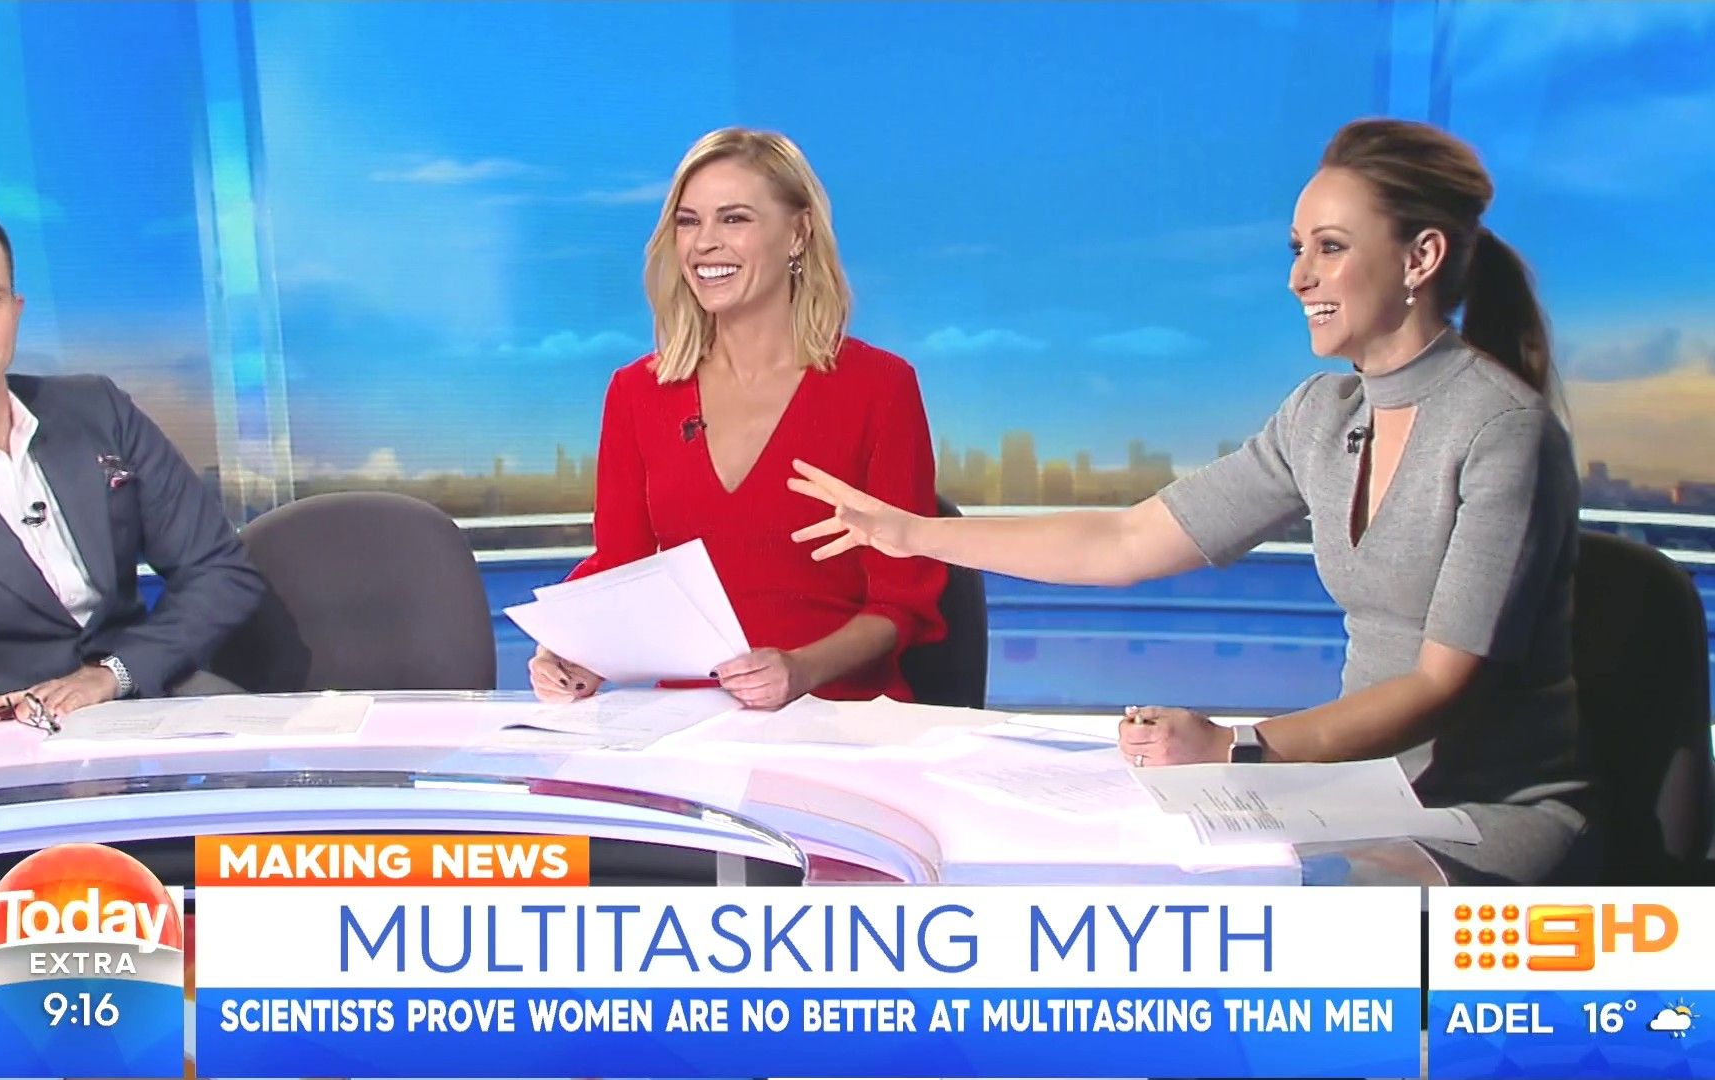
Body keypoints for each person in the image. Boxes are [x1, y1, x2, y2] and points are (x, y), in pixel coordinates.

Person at [788, 119, 1596, 885]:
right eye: (1297, 249)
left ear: (1421, 257)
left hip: (1478, 816)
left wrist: (1238, 748)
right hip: (1354, 796)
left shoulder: (1500, 430)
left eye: (1330, 247)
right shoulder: (1321, 417)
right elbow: (1127, 540)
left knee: (1263, 912)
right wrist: (912, 533)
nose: (1299, 277)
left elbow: (1439, 684)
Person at [530, 128, 947, 710]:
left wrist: (799, 671)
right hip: (687, 725)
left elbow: (900, 605)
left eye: (734, 219)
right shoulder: (636, 392)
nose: (705, 243)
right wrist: (571, 648)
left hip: (838, 721)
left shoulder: (881, 387)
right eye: (688, 222)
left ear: (798, 233)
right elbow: (620, 564)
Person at [0, 184, 263, 722]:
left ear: (15, 312)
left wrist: (115, 673)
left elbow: (220, 571)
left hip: (152, 703)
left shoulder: (95, 410)